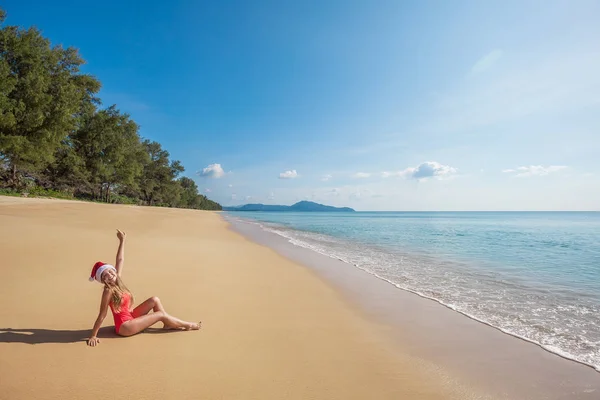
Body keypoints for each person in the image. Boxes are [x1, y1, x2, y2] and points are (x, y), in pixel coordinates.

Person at [87, 229, 200, 347]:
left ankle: (168, 324)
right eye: (105, 275)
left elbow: (120, 260)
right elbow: (102, 314)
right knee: (160, 314)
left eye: (110, 272)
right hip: (124, 327)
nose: (109, 275)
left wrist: (122, 240)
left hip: (130, 316)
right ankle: (188, 325)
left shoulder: (117, 280)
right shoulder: (108, 290)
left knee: (154, 299)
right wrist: (93, 335)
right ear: (103, 280)